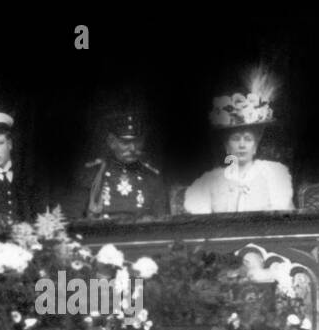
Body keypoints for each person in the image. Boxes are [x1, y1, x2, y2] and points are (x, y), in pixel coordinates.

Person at [184, 69, 293, 214]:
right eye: (235, 139)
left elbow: (281, 221)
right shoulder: (210, 180)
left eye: (248, 139)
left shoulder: (272, 175)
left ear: (255, 145)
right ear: (226, 145)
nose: (242, 145)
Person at [73, 111, 168, 220]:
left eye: (137, 142)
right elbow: (74, 219)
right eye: (125, 142)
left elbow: (162, 220)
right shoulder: (91, 174)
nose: (132, 148)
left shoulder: (152, 178)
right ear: (111, 142)